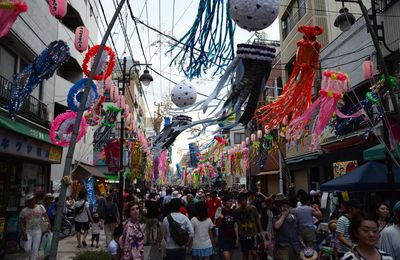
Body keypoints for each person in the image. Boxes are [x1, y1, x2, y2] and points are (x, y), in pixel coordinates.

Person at [19, 193, 51, 260]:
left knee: (35, 248)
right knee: (27, 248)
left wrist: (48, 224)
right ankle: (31, 257)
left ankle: (33, 258)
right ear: (27, 202)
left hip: (38, 231)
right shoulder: (24, 211)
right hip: (28, 231)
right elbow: (21, 222)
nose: (32, 201)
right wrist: (24, 232)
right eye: (30, 200)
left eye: (33, 199)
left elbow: (46, 215)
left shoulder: (40, 207)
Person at [235, 192, 264, 260]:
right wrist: (237, 236)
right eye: (240, 201)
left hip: (253, 234)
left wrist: (261, 230)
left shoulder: (253, 208)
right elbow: (237, 224)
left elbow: (257, 219)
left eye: (244, 200)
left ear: (246, 199)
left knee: (254, 253)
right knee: (245, 253)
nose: (242, 202)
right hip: (243, 234)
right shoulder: (237, 210)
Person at [215, 194, 237, 260]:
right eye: (229, 201)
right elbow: (217, 225)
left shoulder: (233, 211)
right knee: (227, 257)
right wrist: (220, 219)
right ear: (224, 202)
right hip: (223, 236)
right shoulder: (220, 210)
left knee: (230, 256)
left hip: (232, 236)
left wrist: (237, 238)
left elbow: (235, 225)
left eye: (231, 201)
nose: (231, 203)